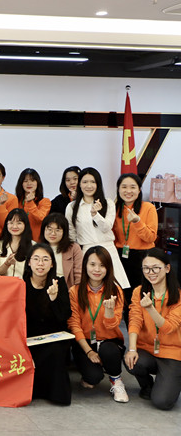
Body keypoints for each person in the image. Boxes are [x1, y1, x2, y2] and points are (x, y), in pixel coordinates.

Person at [67, 247, 127, 403]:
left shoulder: (116, 290)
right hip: (85, 342)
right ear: (85, 265)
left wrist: (109, 312)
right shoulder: (75, 291)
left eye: (102, 265)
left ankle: (116, 380)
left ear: (108, 268)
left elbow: (113, 326)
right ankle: (92, 371)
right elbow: (74, 324)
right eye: (92, 264)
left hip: (109, 340)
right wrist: (89, 352)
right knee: (93, 377)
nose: (97, 270)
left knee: (109, 351)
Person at [124, 248, 181, 410]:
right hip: (147, 349)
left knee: (162, 402)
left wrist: (150, 308)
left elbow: (168, 328)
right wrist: (132, 349)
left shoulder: (178, 296)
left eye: (155, 268)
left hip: (172, 353)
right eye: (146, 268)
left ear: (167, 268)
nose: (151, 273)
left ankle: (171, 379)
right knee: (132, 361)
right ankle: (148, 386)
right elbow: (134, 321)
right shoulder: (139, 291)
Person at [24, 243, 71, 405]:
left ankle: (54, 394)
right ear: (29, 262)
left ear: (52, 264)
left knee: (55, 351)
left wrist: (53, 299)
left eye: (45, 259)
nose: (40, 263)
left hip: (53, 336)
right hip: (28, 336)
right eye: (36, 259)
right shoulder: (21, 284)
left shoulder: (59, 283)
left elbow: (64, 316)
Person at [66, 167, 129, 289]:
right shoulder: (72, 207)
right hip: (86, 251)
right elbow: (71, 234)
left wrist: (96, 215)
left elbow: (107, 227)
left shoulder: (108, 203)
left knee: (113, 288)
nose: (89, 186)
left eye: (93, 182)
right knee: (89, 289)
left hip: (108, 249)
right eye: (85, 182)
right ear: (79, 184)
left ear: (98, 184)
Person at [114, 173, 158, 306]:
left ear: (139, 190)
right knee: (124, 297)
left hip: (143, 257)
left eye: (133, 187)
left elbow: (151, 237)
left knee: (142, 297)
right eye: (124, 187)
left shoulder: (148, 208)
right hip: (120, 256)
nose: (128, 191)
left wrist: (137, 221)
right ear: (118, 189)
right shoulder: (114, 209)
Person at [40, 213, 83, 287]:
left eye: (57, 230)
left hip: (66, 287)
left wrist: (76, 291)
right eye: (49, 229)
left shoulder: (74, 248)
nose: (53, 233)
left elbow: (79, 274)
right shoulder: (38, 248)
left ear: (64, 232)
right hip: (43, 285)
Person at [0, 208, 34, 278]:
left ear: (25, 225)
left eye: (19, 223)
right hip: (4, 283)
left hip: (24, 284)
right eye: (11, 223)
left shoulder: (34, 246)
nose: (14, 226)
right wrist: (7, 264)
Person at [15, 168, 51, 239]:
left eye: (32, 180)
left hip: (37, 241)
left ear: (38, 183)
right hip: (18, 240)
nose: (29, 183)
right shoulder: (16, 201)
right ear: (21, 184)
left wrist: (30, 202)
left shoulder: (45, 201)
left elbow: (40, 218)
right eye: (25, 181)